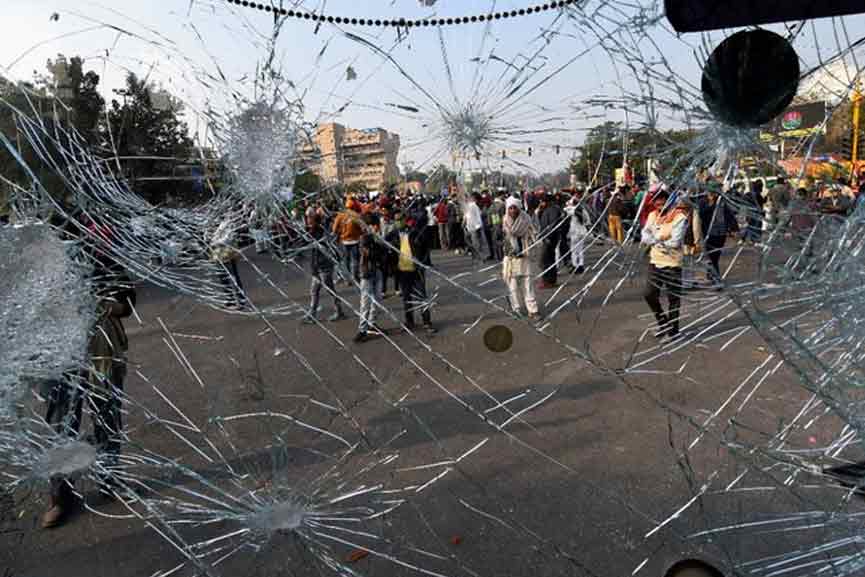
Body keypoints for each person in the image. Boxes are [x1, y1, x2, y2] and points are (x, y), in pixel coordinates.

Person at [42, 266, 136, 528]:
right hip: (56, 350)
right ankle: (60, 497)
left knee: (108, 416)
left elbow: (127, 300)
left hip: (101, 347)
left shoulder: (98, 249)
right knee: (61, 424)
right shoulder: (33, 246)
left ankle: (110, 480)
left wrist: (108, 305)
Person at [641, 190, 689, 340]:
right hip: (655, 261)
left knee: (673, 298)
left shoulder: (679, 217)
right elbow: (645, 234)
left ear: (669, 200)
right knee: (649, 294)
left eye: (663, 200)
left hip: (672, 263)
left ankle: (674, 331)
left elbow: (675, 242)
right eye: (656, 201)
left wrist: (655, 239)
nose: (659, 203)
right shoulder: (652, 215)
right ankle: (663, 323)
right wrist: (658, 239)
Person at [386, 207, 437, 334]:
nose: (398, 222)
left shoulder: (415, 232)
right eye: (396, 220)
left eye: (400, 219)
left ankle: (427, 322)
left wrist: (422, 263)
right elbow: (385, 250)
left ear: (405, 219)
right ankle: (409, 322)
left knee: (421, 297)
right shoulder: (392, 235)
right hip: (402, 272)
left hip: (416, 270)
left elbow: (426, 248)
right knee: (407, 298)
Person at [502, 196, 541, 320]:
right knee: (512, 287)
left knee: (527, 286)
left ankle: (533, 310)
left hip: (524, 257)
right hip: (510, 259)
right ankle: (516, 309)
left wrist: (532, 241)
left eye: (514, 208)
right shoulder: (504, 221)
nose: (512, 210)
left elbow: (535, 235)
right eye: (510, 208)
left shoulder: (527, 220)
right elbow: (498, 238)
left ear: (519, 208)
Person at [304, 212, 345, 323]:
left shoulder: (321, 233)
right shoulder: (312, 232)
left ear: (315, 222)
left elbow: (328, 248)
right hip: (316, 267)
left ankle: (339, 311)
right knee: (314, 290)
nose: (308, 223)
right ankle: (312, 314)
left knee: (329, 290)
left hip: (324, 266)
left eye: (310, 221)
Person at [698, 183, 738, 288]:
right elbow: (701, 214)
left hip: (720, 233)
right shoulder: (703, 201)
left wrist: (734, 229)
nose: (715, 193)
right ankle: (716, 279)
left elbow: (729, 215)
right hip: (708, 233)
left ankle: (711, 275)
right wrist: (711, 204)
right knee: (712, 257)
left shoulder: (722, 201)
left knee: (715, 256)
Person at [354, 212, 385, 343]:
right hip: (367, 273)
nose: (377, 227)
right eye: (375, 225)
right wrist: (379, 245)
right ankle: (362, 330)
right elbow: (370, 254)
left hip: (376, 270)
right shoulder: (364, 239)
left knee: (376, 300)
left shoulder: (374, 237)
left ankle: (372, 324)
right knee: (365, 302)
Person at [209, 215, 247, 309]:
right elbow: (211, 238)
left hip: (228, 255)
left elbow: (228, 239)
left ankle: (240, 301)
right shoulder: (219, 225)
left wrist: (216, 242)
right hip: (219, 256)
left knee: (233, 277)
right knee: (223, 279)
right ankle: (230, 299)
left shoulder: (230, 224)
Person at [331, 197, 364, 284]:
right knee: (355, 260)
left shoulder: (340, 216)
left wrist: (339, 232)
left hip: (344, 241)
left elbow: (334, 229)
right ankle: (355, 277)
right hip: (355, 241)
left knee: (346, 261)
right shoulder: (356, 215)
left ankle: (347, 280)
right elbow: (362, 228)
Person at [537, 193, 563, 288]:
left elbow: (553, 225)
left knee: (545, 260)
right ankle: (551, 280)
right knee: (549, 259)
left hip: (550, 238)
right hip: (547, 237)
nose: (541, 203)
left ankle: (547, 281)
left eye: (543, 201)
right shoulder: (548, 209)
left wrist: (548, 237)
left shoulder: (553, 210)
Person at [564, 194, 587, 274]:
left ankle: (575, 265)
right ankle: (581, 265)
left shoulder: (571, 210)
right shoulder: (582, 210)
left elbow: (565, 210)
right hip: (582, 232)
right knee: (580, 249)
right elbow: (587, 220)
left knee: (573, 250)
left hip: (574, 233)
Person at [740, 180, 764, 245]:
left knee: (748, 226)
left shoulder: (747, 194)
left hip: (748, 213)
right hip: (755, 213)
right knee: (755, 226)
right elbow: (760, 206)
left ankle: (743, 239)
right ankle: (754, 240)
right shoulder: (758, 195)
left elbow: (743, 204)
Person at [463, 193, 485, 261]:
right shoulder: (470, 206)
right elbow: (467, 216)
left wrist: (478, 227)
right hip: (470, 227)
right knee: (472, 242)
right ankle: (476, 255)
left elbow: (478, 217)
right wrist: (464, 223)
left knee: (475, 243)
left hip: (474, 227)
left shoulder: (474, 206)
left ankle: (480, 257)